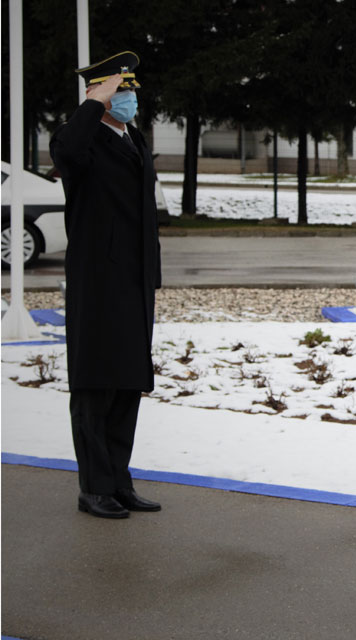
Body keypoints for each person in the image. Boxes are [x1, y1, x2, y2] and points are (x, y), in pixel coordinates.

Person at [50, 51, 162, 519]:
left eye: (131, 90)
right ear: (98, 95)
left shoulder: (133, 137)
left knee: (127, 384)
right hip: (98, 280)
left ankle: (118, 481)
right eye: (120, 91)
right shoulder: (84, 139)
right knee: (96, 386)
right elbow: (65, 151)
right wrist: (93, 104)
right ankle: (93, 487)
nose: (129, 99)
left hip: (134, 281)